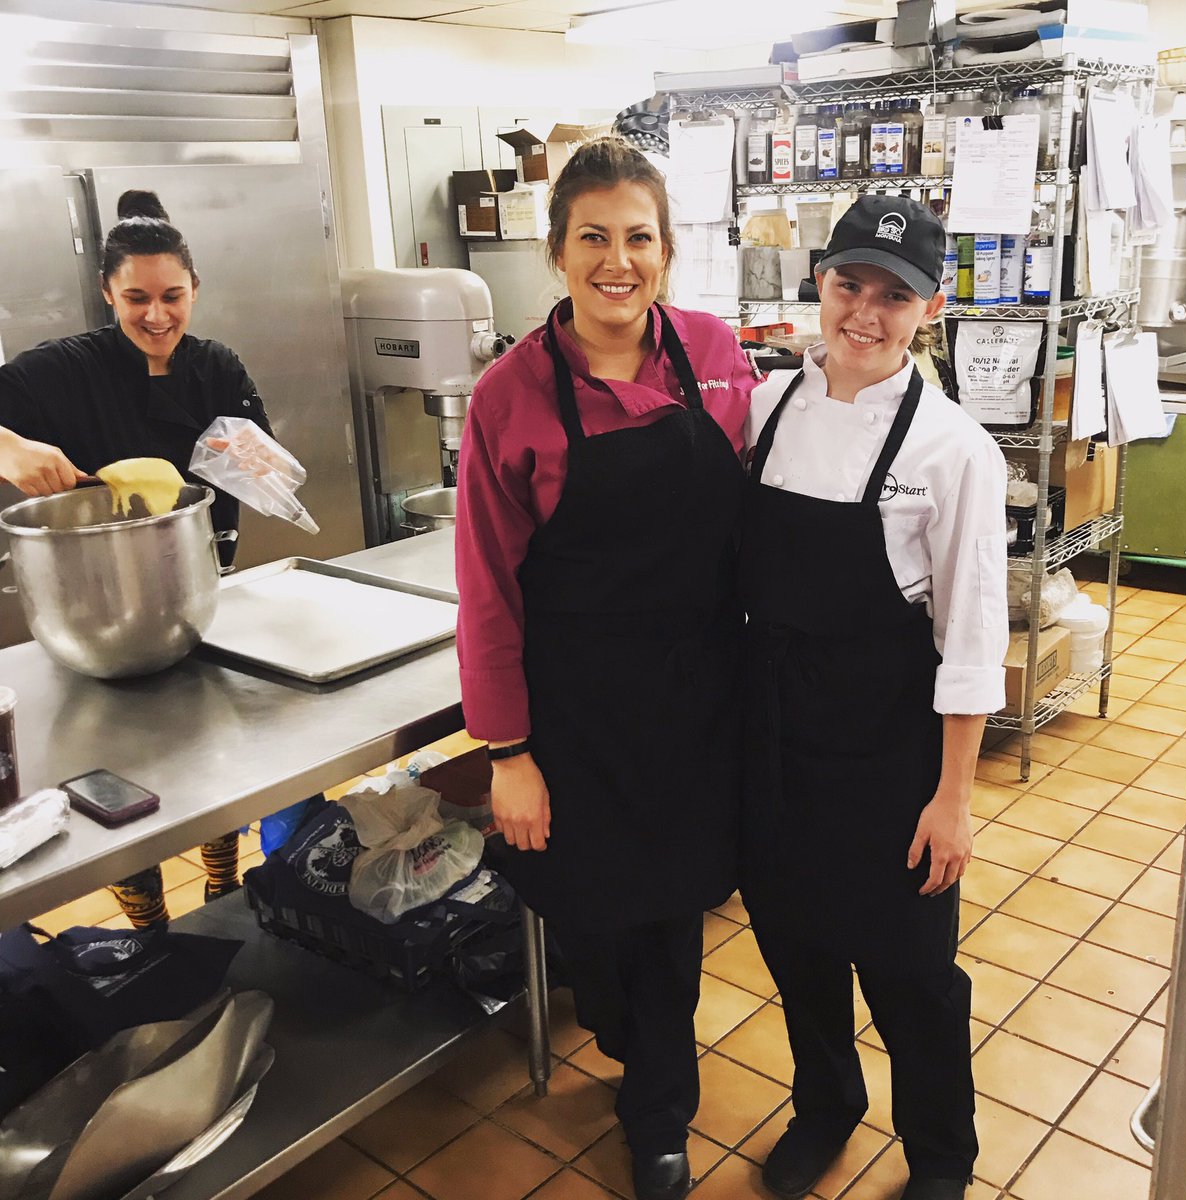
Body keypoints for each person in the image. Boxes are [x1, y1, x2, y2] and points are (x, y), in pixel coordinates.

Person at [455, 136, 755, 1200]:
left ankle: (660, 1114)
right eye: (594, 237)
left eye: (638, 237)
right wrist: (509, 752)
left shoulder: (719, 355)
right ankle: (628, 1042)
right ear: (558, 251)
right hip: (574, 712)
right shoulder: (510, 394)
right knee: (589, 916)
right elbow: (488, 588)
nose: (616, 259)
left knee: (672, 918)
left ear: (668, 251)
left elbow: (757, 526)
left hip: (698, 703)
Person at [738, 195, 1008, 1200]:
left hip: (888, 756)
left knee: (911, 980)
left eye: (893, 295)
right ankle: (826, 1105)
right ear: (820, 283)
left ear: (928, 308)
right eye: (851, 284)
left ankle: (941, 1152)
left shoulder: (953, 451)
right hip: (769, 744)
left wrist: (954, 798)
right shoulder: (763, 409)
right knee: (796, 947)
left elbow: (973, 638)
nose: (866, 311)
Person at [0, 189, 272, 924]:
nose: (157, 316)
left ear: (195, 289)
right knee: (123, 773)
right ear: (107, 294)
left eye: (173, 296)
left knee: (213, 756)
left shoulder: (217, 367)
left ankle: (224, 879)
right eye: (136, 298)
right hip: (96, 611)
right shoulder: (62, 372)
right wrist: (10, 445)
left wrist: (257, 463)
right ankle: (145, 914)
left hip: (200, 591)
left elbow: (265, 466)